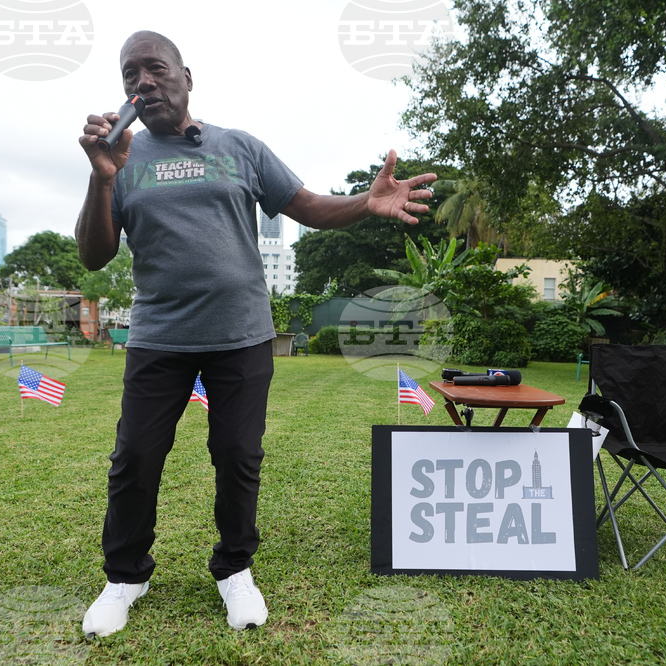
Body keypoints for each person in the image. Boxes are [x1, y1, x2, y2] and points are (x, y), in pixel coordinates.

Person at [75, 30, 436, 637]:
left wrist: (364, 202)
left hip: (241, 335)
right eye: (130, 74)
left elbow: (310, 207)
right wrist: (103, 177)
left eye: (155, 69)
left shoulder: (240, 148)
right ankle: (124, 576)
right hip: (158, 336)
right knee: (135, 457)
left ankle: (234, 568)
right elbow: (92, 256)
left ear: (187, 77)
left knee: (239, 455)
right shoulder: (122, 160)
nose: (143, 82)